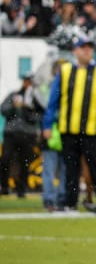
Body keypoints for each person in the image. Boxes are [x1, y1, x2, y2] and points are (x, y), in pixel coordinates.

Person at [42, 36, 96, 213]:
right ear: (75, 51)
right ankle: (69, 202)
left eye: (90, 47)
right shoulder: (65, 71)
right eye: (83, 48)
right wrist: (47, 124)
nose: (87, 51)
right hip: (69, 128)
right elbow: (53, 100)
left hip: (92, 129)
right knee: (70, 169)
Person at [1, 71, 44, 199]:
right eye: (26, 80)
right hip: (11, 133)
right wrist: (14, 107)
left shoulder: (36, 99)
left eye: (30, 81)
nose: (27, 83)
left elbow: (39, 116)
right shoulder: (14, 95)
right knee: (5, 159)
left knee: (25, 162)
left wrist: (27, 111)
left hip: (27, 134)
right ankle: (4, 187)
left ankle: (22, 189)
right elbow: (3, 110)